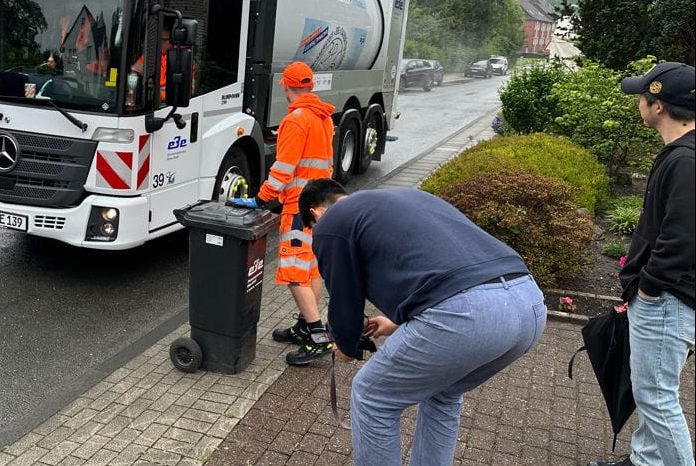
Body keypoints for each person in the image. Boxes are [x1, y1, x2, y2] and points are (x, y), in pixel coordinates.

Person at [297, 178, 546, 466]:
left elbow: (344, 295)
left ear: (315, 213)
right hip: (528, 303)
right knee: (444, 393)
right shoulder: (399, 199)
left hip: (465, 316)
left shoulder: (330, 224)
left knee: (371, 395)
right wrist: (396, 322)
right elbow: (436, 266)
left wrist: (346, 342)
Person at [588, 62, 695, 466]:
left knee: (656, 396)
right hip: (669, 296)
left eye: (641, 96)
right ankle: (645, 461)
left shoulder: (685, 161)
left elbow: (682, 238)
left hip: (666, 299)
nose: (638, 102)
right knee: (651, 389)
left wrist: (648, 289)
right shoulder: (684, 154)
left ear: (659, 105)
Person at [230, 61, 336, 365]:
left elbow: (284, 170)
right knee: (311, 269)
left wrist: (261, 199)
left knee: (294, 274)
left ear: (285, 86)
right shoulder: (323, 117)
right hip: (320, 205)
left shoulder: (296, 120)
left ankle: (318, 338)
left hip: (299, 209)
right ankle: (305, 327)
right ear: (311, 86)